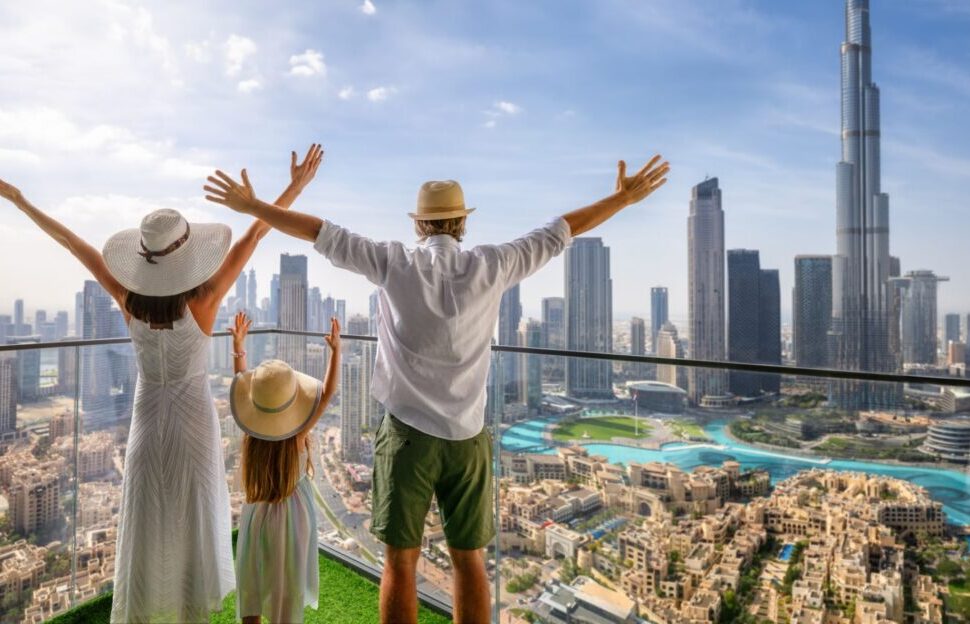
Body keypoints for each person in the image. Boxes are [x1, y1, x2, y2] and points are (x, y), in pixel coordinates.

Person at [204, 151, 669, 624]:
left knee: (400, 563)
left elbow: (319, 232)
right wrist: (621, 199)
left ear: (420, 225)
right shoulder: (494, 264)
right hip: (468, 437)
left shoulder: (395, 263)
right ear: (462, 223)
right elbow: (560, 231)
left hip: (406, 436)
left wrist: (253, 206)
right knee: (470, 561)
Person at [0, 143, 323, 623]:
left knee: (149, 522)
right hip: (194, 427)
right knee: (193, 520)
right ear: (187, 258)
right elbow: (256, 233)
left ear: (145, 259)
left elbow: (70, 241)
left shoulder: (128, 299)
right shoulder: (206, 299)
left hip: (147, 425)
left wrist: (20, 200)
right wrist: (294, 187)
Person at [228, 312, 340, 624]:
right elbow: (327, 393)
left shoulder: (252, 438)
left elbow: (241, 385)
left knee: (252, 581)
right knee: (287, 587)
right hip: (294, 518)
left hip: (258, 515)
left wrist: (238, 348)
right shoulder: (298, 438)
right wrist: (336, 351)